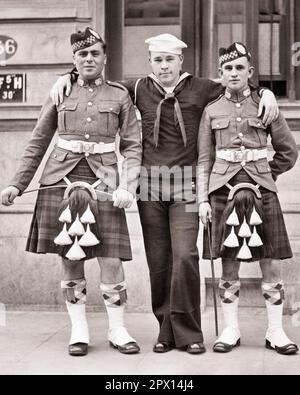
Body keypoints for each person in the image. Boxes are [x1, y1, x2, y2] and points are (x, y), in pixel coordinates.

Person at [50, 33, 279, 354]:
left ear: (181, 61)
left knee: (185, 256)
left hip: (187, 185)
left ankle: (189, 333)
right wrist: (67, 75)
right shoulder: (138, 87)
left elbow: (236, 85)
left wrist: (265, 91)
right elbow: (96, 79)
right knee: (159, 261)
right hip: (150, 188)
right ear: (150, 63)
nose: (164, 66)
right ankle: (166, 332)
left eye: (170, 59)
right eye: (158, 59)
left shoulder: (203, 88)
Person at [1, 27, 142, 357]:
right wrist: (15, 183)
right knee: (70, 256)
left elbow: (134, 146)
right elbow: (38, 141)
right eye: (83, 54)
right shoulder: (60, 93)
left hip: (104, 181)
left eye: (95, 53)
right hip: (60, 180)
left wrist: (127, 186)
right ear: (74, 60)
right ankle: (78, 330)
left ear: (105, 58)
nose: (89, 59)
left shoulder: (121, 95)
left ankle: (117, 329)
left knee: (112, 258)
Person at [198, 42, 298, 355]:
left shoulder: (265, 105)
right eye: (228, 68)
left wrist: (266, 174)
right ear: (220, 74)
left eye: (240, 67)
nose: (234, 73)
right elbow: (204, 159)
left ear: (250, 72)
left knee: (270, 263)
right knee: (229, 264)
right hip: (222, 191)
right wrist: (203, 199)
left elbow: (289, 151)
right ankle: (230, 330)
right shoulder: (211, 111)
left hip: (261, 190)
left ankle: (276, 331)